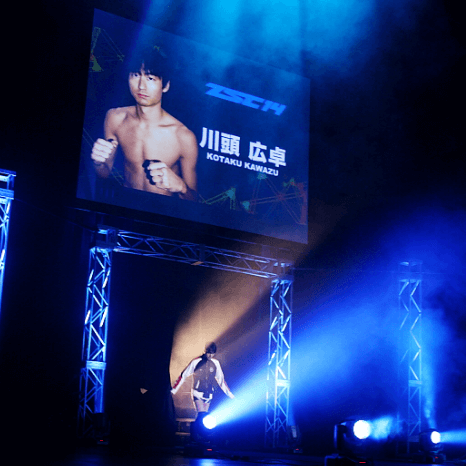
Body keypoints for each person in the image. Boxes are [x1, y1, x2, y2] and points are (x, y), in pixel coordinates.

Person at [91, 45, 198, 201]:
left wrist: (181, 187)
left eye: (150, 78)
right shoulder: (115, 118)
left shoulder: (183, 136)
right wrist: (99, 163)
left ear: (165, 86)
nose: (141, 86)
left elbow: (194, 201)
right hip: (125, 205)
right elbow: (104, 174)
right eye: (135, 75)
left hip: (161, 212)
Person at [171, 343, 234, 413]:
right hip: (197, 393)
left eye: (212, 353)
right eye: (209, 353)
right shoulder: (196, 361)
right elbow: (183, 375)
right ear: (205, 351)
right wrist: (173, 390)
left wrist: (230, 395)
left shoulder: (216, 363)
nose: (210, 355)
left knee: (204, 415)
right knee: (201, 413)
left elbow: (221, 380)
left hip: (209, 394)